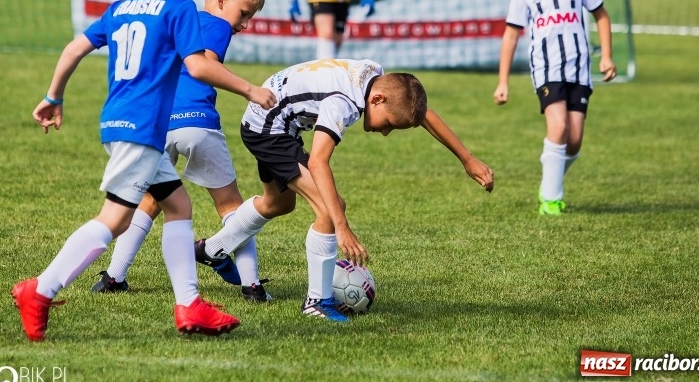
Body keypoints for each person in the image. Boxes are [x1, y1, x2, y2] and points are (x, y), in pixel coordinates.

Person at [12, 0, 247, 341]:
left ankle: (190, 306)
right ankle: (40, 290)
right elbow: (198, 66)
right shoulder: (179, 8)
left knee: (178, 206)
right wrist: (251, 89)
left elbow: (73, 49)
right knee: (114, 219)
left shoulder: (121, 6)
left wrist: (54, 96)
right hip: (140, 130)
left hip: (122, 124)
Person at [195, 58, 495, 321]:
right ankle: (317, 303)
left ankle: (211, 250)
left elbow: (420, 111)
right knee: (329, 206)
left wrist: (466, 158)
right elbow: (319, 162)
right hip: (269, 130)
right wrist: (341, 226)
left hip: (273, 121)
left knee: (278, 204)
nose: (386, 132)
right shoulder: (344, 101)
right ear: (376, 100)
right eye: (389, 123)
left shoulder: (374, 76)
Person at [90, 0, 277, 303]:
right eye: (244, 13)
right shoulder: (216, 24)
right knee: (232, 206)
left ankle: (113, 277)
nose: (244, 23)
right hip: (198, 124)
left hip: (159, 125)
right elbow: (205, 62)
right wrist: (249, 89)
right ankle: (253, 286)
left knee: (148, 201)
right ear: (221, 0)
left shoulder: (177, 20)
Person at [493, 0, 616, 216]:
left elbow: (601, 16)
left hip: (580, 70)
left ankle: (552, 166)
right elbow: (511, 35)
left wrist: (607, 56)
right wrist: (503, 82)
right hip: (546, 70)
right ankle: (550, 198)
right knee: (558, 127)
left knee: (573, 142)